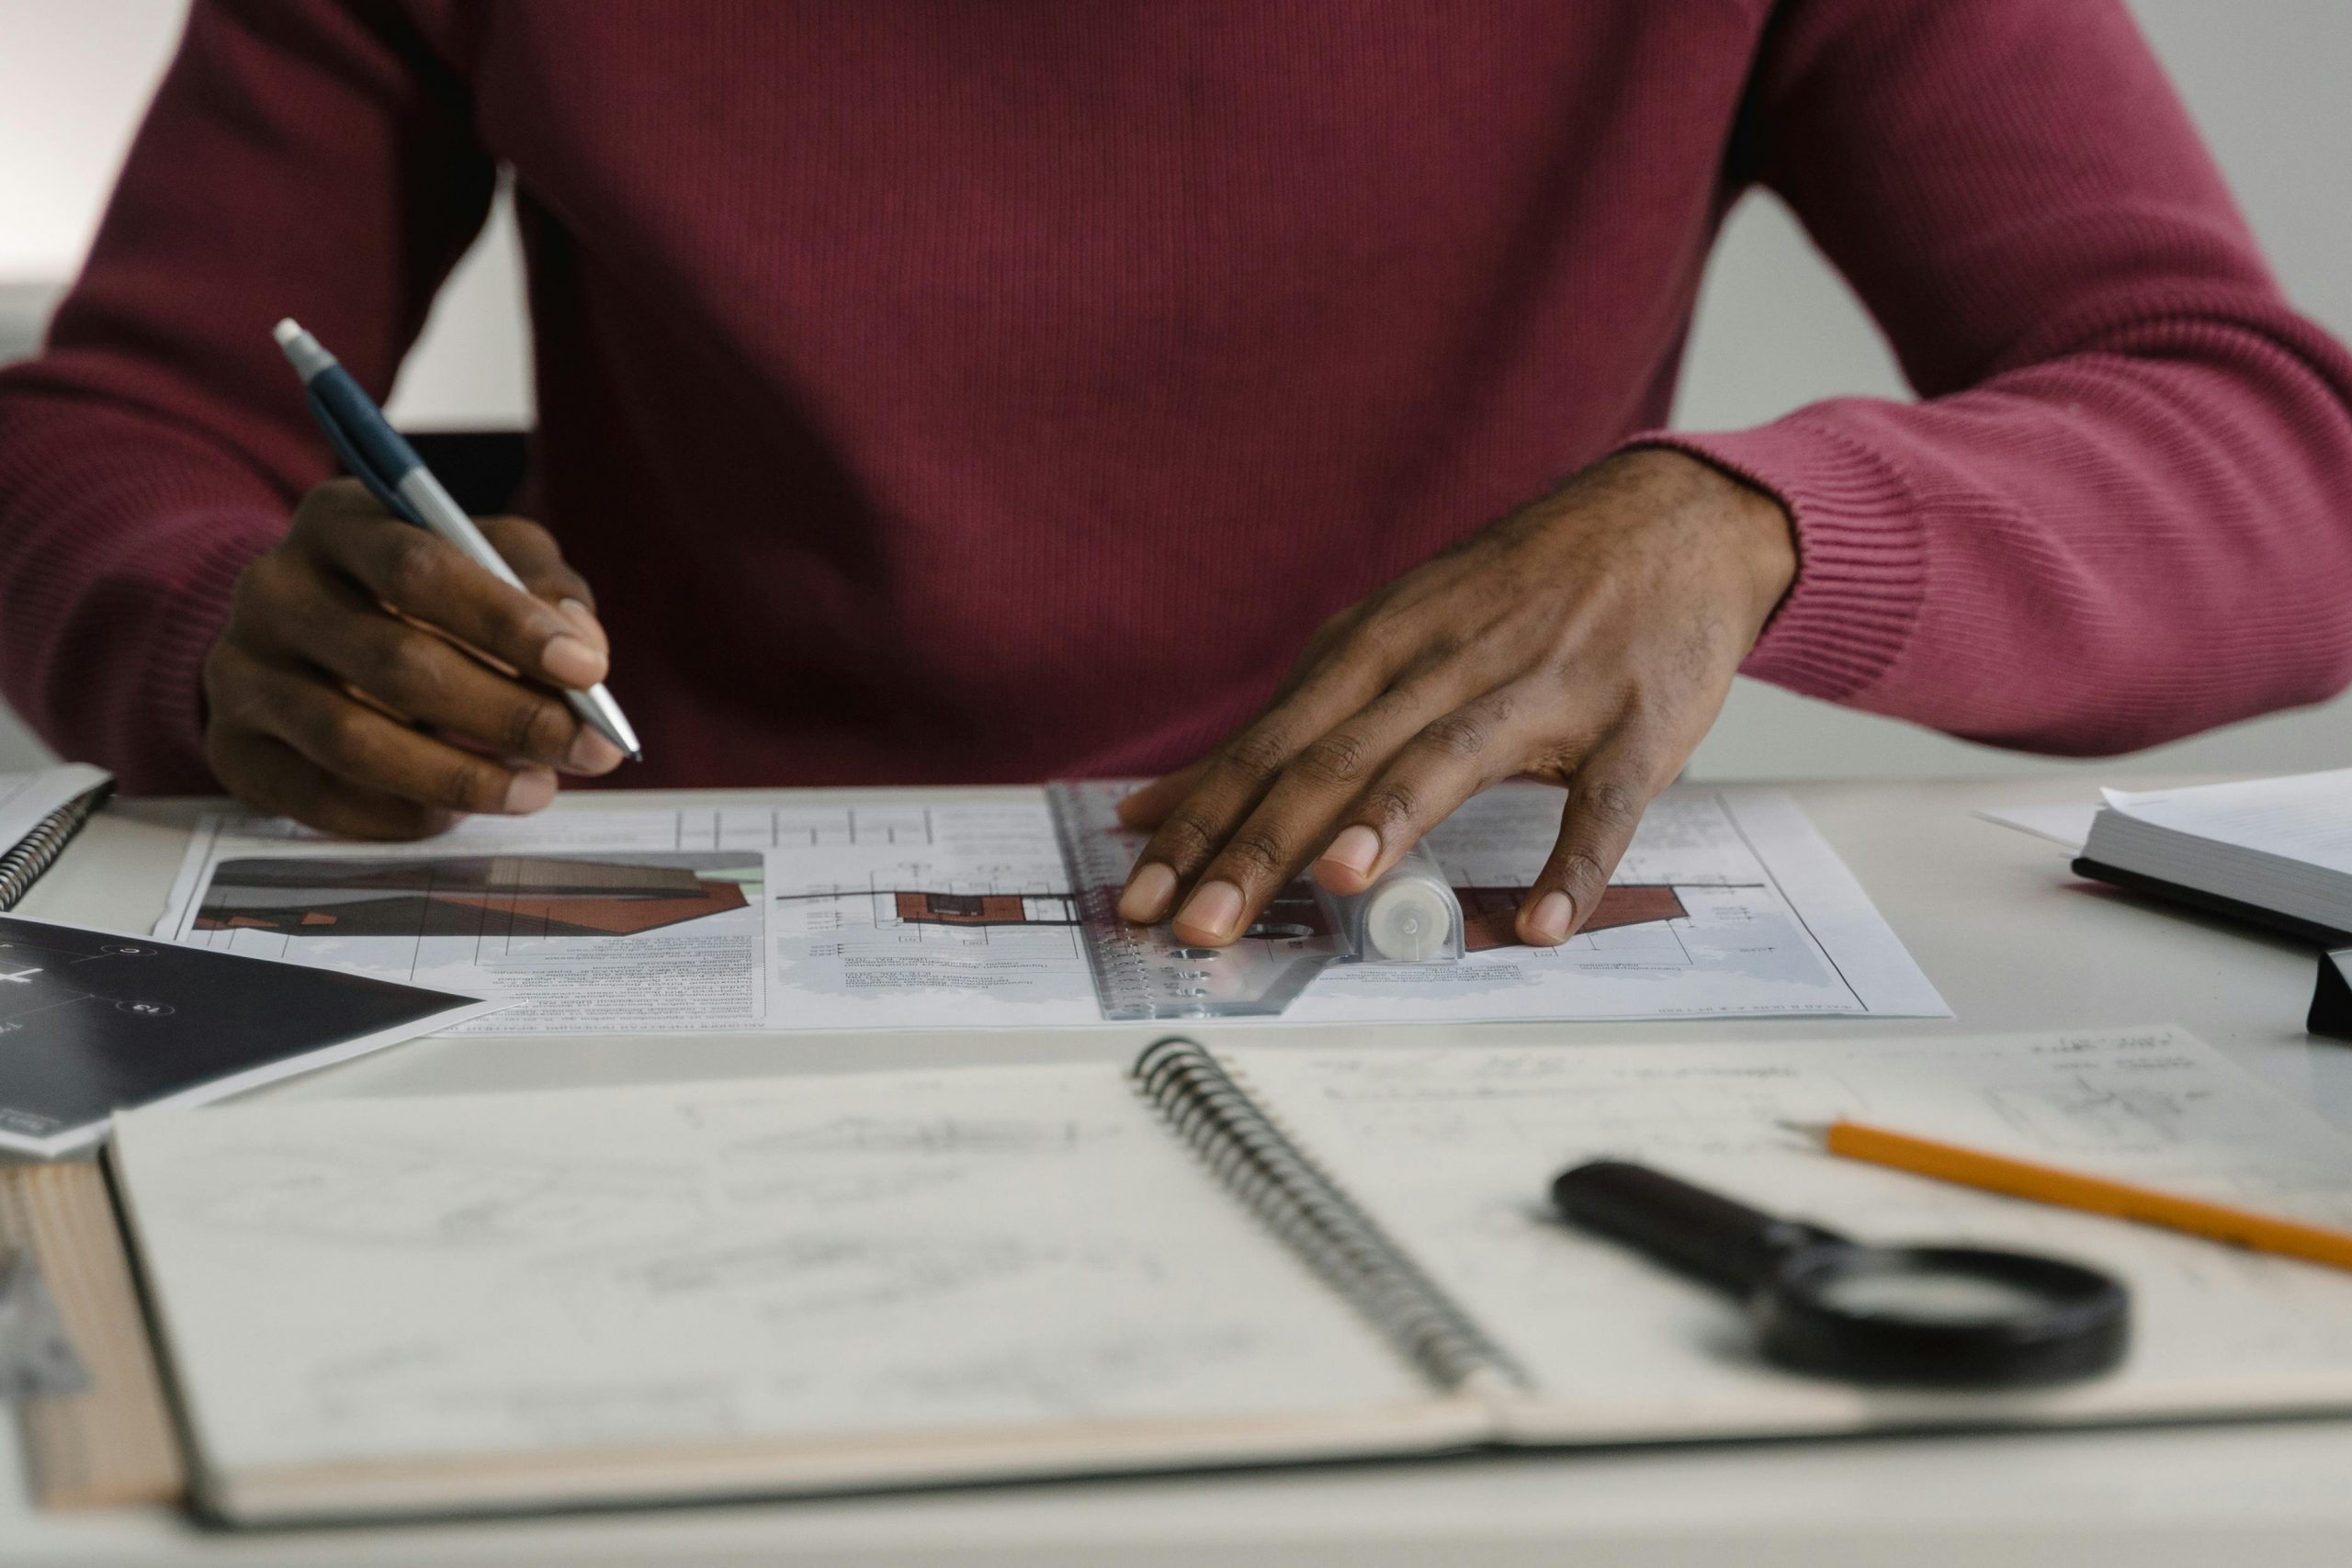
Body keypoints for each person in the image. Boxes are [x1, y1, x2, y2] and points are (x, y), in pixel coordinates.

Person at [2, 2, 2348, 955]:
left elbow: (2273, 448)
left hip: (1426, 979)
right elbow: (114, 434)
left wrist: (1750, 521)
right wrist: (235, 630)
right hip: (690, 973)